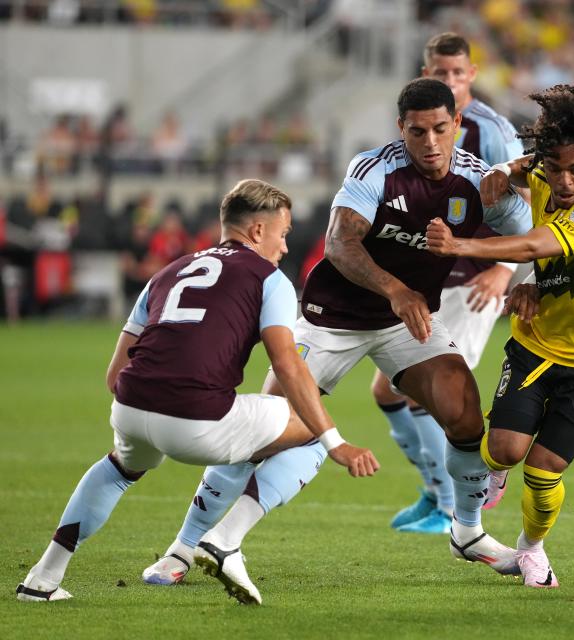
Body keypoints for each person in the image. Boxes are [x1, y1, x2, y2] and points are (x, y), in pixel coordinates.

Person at [141, 78, 532, 585]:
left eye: (441, 129)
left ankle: (468, 532)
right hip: (332, 320)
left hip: (403, 325)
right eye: (418, 132)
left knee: (463, 413)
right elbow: (341, 246)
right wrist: (396, 289)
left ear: (457, 124)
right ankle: (182, 547)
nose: (431, 143)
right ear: (401, 129)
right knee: (263, 433)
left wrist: (519, 276)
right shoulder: (374, 169)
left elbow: (534, 237)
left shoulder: (479, 183)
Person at [16, 179, 379, 605]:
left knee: (117, 469)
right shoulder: (270, 279)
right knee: (311, 430)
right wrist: (335, 442)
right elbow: (286, 363)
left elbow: (115, 374)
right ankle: (223, 540)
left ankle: (43, 578)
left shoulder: (167, 272)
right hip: (196, 417)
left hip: (130, 406)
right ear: (258, 232)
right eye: (282, 235)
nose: (284, 247)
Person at [426, 82, 574, 588]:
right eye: (556, 169)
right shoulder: (543, 168)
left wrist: (457, 246)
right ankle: (494, 474)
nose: (566, 180)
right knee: (504, 450)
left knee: (545, 468)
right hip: (534, 345)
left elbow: (534, 245)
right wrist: (505, 170)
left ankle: (531, 548)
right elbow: (525, 166)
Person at [380, 32, 527, 536]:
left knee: (431, 392)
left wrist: (504, 271)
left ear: (472, 74)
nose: (448, 80)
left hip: (473, 278)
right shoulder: (418, 123)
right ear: (425, 73)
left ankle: (450, 507)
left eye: (456, 73)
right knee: (387, 392)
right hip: (426, 277)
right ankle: (433, 491)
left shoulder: (492, 131)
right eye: (438, 73)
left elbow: (524, 206)